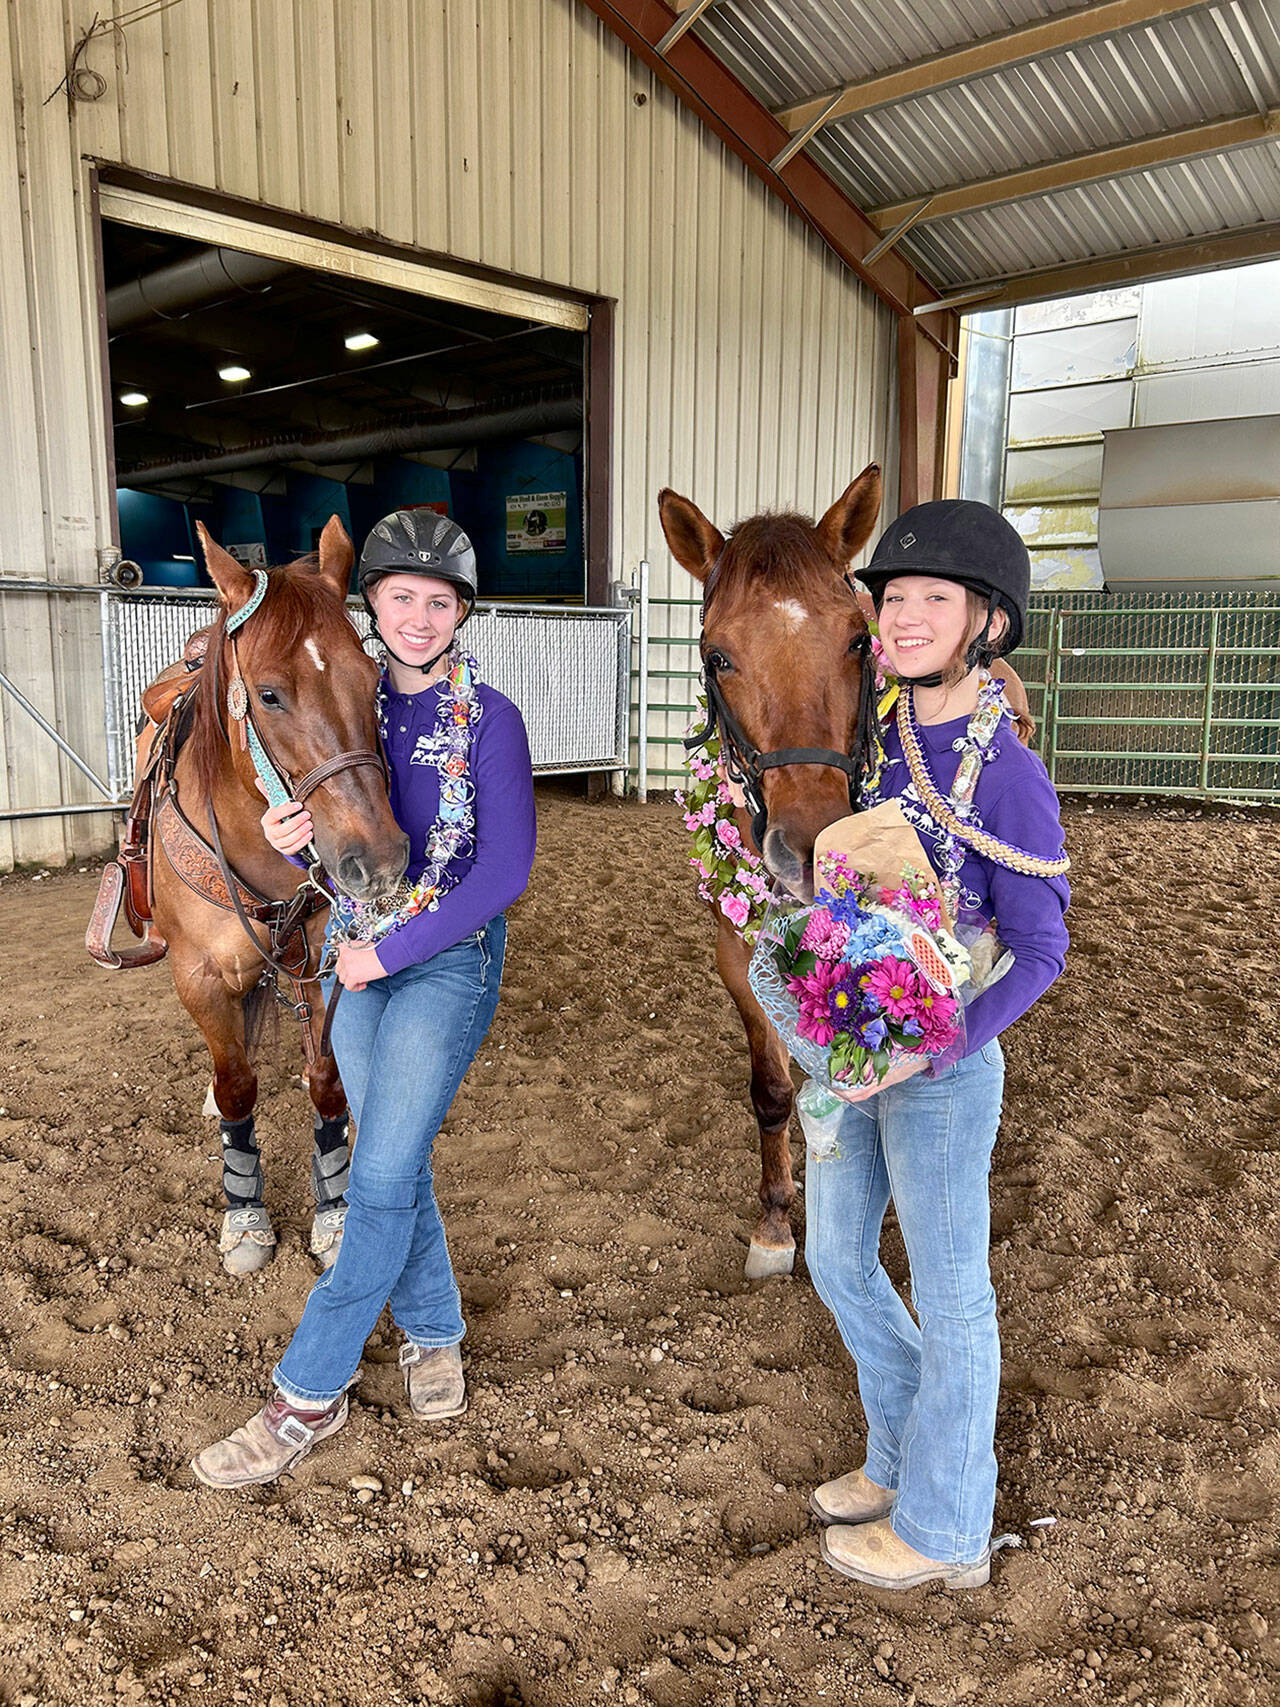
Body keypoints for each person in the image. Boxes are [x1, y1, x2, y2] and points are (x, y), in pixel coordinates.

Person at [192, 510, 536, 1488]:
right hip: (354, 951)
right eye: (400, 597)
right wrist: (288, 829)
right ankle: (435, 1329)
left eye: (440, 601)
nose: (419, 617)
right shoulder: (348, 695)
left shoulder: (490, 719)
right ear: (370, 606)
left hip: (443, 961)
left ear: (461, 612)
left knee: (378, 1177)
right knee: (397, 1158)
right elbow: (312, 796)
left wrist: (387, 956)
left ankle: (306, 1394)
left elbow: (503, 871)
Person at [804, 499, 1070, 1590]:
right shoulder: (877, 733)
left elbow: (1041, 947)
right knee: (834, 1257)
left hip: (943, 1068)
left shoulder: (1008, 773)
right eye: (895, 596)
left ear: (986, 622)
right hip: (857, 1043)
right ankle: (902, 1456)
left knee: (954, 1295)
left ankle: (948, 1528)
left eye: (934, 598)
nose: (905, 614)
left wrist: (942, 1046)